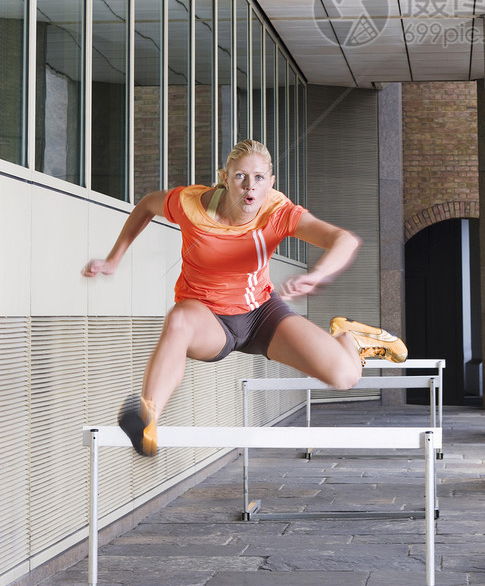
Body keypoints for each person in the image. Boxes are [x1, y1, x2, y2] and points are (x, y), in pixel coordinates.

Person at [82, 138, 407, 456]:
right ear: (225, 178)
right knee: (178, 320)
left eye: (259, 178)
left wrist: (316, 275)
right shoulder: (191, 205)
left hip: (260, 314)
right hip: (207, 317)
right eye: (240, 176)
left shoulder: (278, 211)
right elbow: (148, 204)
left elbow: (344, 240)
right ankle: (147, 421)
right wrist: (114, 258)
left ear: (270, 182)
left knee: (345, 376)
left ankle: (350, 338)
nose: (250, 187)